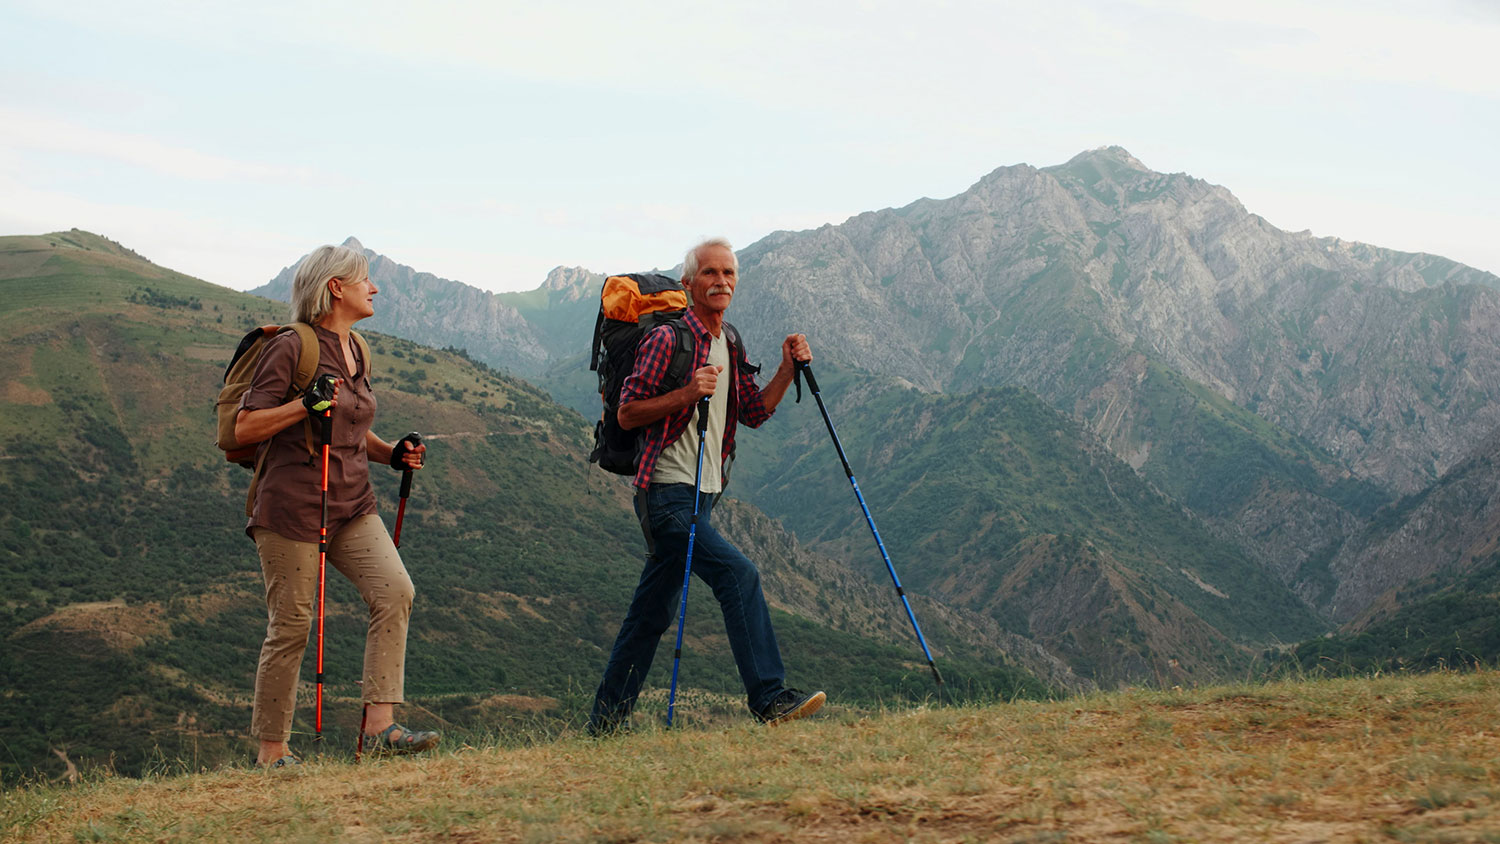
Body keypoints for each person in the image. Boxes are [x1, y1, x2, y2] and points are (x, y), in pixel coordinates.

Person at [589, 237, 826, 733]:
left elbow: (755, 411)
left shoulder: (730, 341)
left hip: (704, 496)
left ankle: (603, 727)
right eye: (710, 273)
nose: (721, 281)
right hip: (667, 494)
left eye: (729, 274)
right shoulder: (668, 340)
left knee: (649, 617)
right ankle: (769, 697)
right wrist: (686, 393)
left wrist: (787, 368)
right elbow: (628, 412)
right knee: (739, 577)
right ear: (689, 284)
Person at [234, 244, 439, 767]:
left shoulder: (359, 350)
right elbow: (246, 426)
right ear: (335, 288)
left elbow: (350, 427)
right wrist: (304, 403)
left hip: (351, 500)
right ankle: (272, 752)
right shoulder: (291, 347)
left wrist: (391, 453)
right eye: (365, 280)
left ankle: (380, 727)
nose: (374, 288)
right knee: (293, 623)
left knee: (395, 590)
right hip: (292, 507)